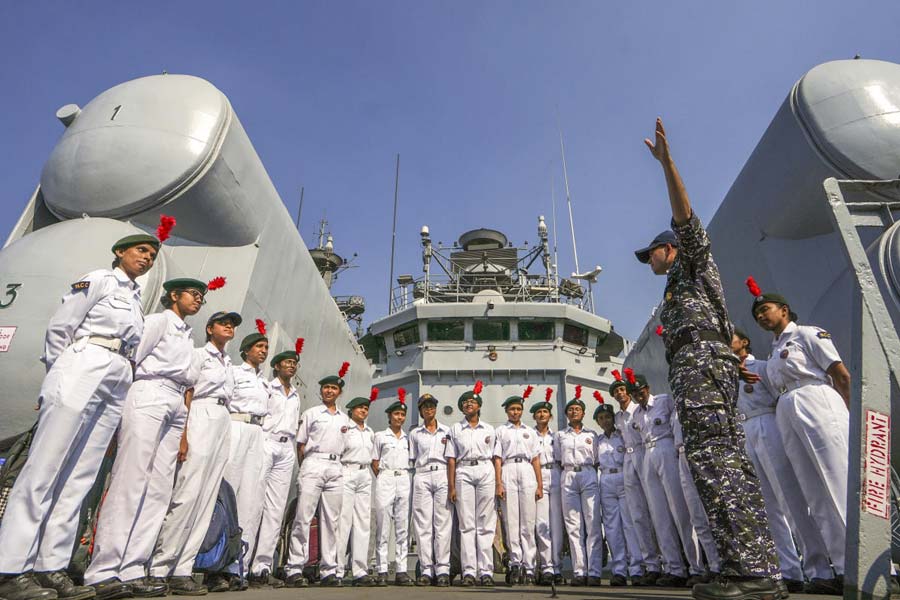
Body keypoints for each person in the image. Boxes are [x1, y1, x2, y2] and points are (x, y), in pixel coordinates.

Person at [636, 118, 778, 600]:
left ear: (670, 249)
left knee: (719, 461)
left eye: (651, 252)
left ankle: (754, 573)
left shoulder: (693, 261)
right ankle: (745, 567)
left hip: (700, 367)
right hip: (698, 368)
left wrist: (666, 164)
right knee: (713, 463)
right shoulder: (676, 288)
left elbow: (685, 216)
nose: (649, 260)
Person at [0, 231, 160, 600]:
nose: (147, 257)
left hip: (118, 375)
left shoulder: (136, 302)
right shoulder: (100, 280)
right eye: (141, 250)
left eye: (152, 254)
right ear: (119, 252)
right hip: (84, 364)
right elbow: (61, 326)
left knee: (80, 477)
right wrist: (59, 375)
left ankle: (49, 567)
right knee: (45, 467)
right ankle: (10, 568)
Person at [85, 278, 208, 598]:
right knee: (131, 480)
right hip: (148, 391)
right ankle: (103, 569)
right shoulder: (156, 321)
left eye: (201, 297)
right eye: (193, 294)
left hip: (175, 401)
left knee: (158, 489)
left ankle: (134, 567)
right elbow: (132, 358)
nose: (198, 300)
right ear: (173, 295)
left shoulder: (187, 335)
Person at [749, 283, 852, 594]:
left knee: (838, 480)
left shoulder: (808, 334)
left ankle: (864, 563)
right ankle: (833, 569)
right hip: (786, 407)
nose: (761, 316)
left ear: (783, 309)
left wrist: (846, 411)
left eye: (765, 309)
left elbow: (841, 374)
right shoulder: (772, 352)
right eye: (756, 314)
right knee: (814, 493)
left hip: (817, 400)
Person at [730, 327, 831, 593]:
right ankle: (788, 569)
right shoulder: (730, 373)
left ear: (744, 341)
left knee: (789, 499)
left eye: (730, 338)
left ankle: (817, 567)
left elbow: (779, 395)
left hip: (769, 423)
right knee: (766, 506)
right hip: (747, 430)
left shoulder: (761, 367)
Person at [149, 310, 242, 595]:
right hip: (200, 413)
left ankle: (183, 569)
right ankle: (160, 567)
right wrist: (184, 435)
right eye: (224, 323)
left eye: (233, 324)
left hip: (222, 418)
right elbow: (188, 392)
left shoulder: (228, 362)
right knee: (187, 494)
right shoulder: (200, 355)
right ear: (210, 328)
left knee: (206, 499)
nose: (229, 327)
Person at [207, 320, 270, 591]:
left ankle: (236, 566)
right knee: (227, 494)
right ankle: (215, 565)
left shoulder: (263, 382)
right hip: (236, 427)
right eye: (258, 346)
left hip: (258, 433)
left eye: (266, 347)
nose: (263, 351)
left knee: (251, 500)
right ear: (246, 350)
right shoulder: (234, 371)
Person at [628, 372, 705, 586]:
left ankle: (696, 567)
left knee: (680, 512)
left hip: (666, 449)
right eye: (634, 393)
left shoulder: (664, 401)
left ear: (647, 387)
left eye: (640, 390)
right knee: (659, 515)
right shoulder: (635, 414)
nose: (638, 395)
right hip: (647, 456)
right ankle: (675, 568)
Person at [284, 362, 351, 588]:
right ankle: (295, 567)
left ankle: (328, 569)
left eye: (333, 388)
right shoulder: (311, 413)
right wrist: (306, 467)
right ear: (321, 391)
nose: (329, 391)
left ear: (339, 392)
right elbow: (300, 444)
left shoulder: (345, 419)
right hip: (314, 463)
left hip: (336, 466)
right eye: (326, 388)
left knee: (332, 521)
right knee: (303, 517)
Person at [249, 340, 305, 589]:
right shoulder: (266, 387)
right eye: (287, 362)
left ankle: (262, 566)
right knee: (253, 503)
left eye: (294, 363)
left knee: (275, 509)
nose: (292, 366)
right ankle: (240, 563)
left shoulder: (295, 395)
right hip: (266, 442)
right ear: (276, 366)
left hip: (286, 448)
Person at [610, 370, 660, 586]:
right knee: (637, 514)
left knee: (657, 510)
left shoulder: (638, 410)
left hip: (645, 452)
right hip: (628, 460)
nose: (620, 394)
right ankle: (650, 565)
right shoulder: (618, 417)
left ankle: (667, 562)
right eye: (617, 391)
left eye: (622, 389)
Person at [445, 381, 496, 587]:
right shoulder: (455, 429)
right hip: (463, 471)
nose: (468, 405)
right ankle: (469, 571)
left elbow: (495, 457)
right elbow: (451, 459)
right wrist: (451, 486)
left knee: (485, 523)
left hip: (485, 469)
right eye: (465, 402)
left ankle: (486, 571)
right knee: (467, 525)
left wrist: (498, 482)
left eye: (472, 402)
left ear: (479, 406)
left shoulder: (490, 429)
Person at [493, 387, 542, 585]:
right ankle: (515, 563)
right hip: (508, 469)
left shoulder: (530, 432)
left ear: (522, 411)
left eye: (518, 409)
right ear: (507, 411)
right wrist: (498, 483)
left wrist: (539, 485)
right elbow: (497, 459)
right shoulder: (501, 431)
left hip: (527, 471)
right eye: (512, 409)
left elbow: (536, 459)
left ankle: (529, 566)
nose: (515, 412)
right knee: (511, 522)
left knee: (528, 522)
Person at [554, 386, 602, 587]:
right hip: (568, 475)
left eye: (577, 409)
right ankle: (579, 571)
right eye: (570, 409)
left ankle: (595, 571)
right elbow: (558, 458)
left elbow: (597, 458)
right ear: (566, 414)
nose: (574, 412)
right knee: (573, 526)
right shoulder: (560, 436)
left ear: (583, 413)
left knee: (592, 524)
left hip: (588, 473)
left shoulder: (592, 434)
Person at [408, 393, 452, 587]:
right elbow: (412, 458)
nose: (428, 409)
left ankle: (442, 568)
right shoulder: (415, 434)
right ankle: (426, 569)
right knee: (423, 524)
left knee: (442, 524)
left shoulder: (447, 432)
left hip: (442, 472)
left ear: (435, 408)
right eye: (425, 406)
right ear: (420, 410)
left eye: (431, 405)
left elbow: (451, 458)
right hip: (423, 474)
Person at [373, 389, 414, 586]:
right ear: (390, 416)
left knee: (402, 526)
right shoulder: (380, 436)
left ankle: (401, 570)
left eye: (402, 414)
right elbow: (375, 461)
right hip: (386, 476)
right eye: (396, 414)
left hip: (404, 477)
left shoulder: (408, 438)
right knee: (383, 525)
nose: (400, 417)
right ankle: (381, 569)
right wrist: (383, 476)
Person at [337, 388, 377, 587]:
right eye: (359, 408)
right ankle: (337, 569)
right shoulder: (345, 429)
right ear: (351, 410)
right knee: (343, 521)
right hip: (347, 471)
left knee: (363, 522)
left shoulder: (370, 432)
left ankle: (360, 570)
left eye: (365, 408)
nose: (363, 411)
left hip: (364, 473)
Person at [591, 391, 628, 587]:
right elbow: (594, 464)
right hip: (606, 480)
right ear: (597, 422)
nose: (605, 421)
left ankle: (638, 568)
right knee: (612, 527)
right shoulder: (598, 442)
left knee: (630, 524)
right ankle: (619, 570)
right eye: (601, 418)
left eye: (607, 417)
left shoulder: (622, 435)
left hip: (624, 476)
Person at [529, 394, 564, 586]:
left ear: (550, 416)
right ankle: (547, 566)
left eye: (545, 412)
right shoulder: (529, 435)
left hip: (556, 474)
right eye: (538, 412)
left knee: (557, 524)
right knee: (542, 523)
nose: (542, 415)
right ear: (534, 416)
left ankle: (557, 565)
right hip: (538, 475)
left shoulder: (557, 437)